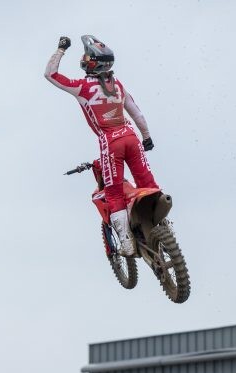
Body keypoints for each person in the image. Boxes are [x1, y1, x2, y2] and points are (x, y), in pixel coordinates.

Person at [45, 35, 159, 257]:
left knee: (114, 192)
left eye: (86, 55)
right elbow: (136, 113)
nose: (83, 58)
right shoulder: (117, 85)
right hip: (131, 137)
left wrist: (60, 49)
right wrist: (147, 137)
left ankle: (126, 243)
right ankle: (161, 226)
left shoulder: (82, 87)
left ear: (92, 62)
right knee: (146, 180)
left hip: (110, 141)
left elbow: (50, 75)